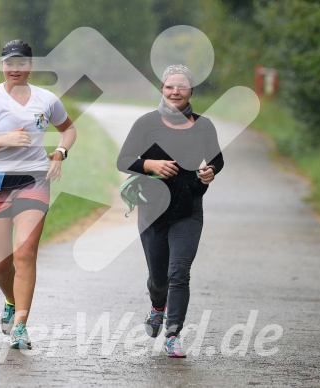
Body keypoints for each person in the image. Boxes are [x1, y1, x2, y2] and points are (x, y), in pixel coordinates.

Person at [0, 40, 76, 350]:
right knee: (1, 263)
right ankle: (10, 300)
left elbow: (68, 129)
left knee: (25, 253)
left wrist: (61, 152)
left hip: (33, 181)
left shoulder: (47, 99)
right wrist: (5, 139)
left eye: (21, 63)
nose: (15, 69)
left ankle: (21, 325)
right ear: (2, 66)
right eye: (9, 63)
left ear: (31, 66)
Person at [116, 65, 223, 358]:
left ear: (191, 91)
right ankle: (157, 306)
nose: (175, 92)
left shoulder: (204, 126)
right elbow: (124, 160)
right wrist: (150, 165)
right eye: (169, 87)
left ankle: (173, 333)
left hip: (189, 208)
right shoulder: (146, 123)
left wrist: (210, 171)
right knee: (159, 278)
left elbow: (217, 159)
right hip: (152, 209)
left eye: (182, 87)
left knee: (179, 273)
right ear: (162, 89)